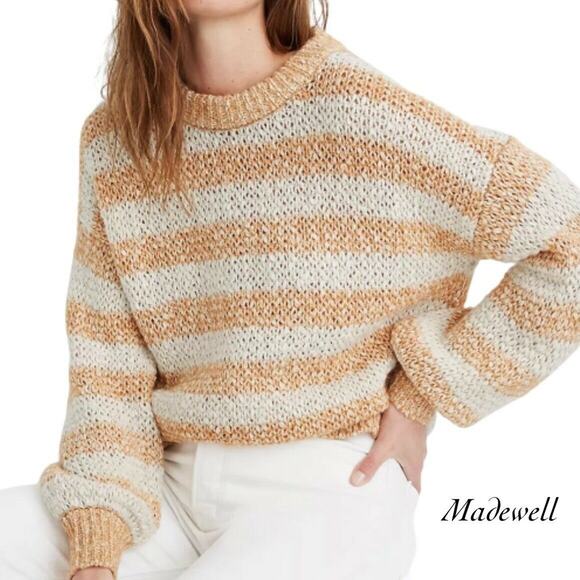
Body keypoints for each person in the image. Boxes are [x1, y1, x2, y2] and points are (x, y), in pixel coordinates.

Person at [1, 1, 579, 579]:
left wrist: (421, 393)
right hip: (165, 489)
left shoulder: (362, 110)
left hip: (322, 484)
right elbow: (108, 369)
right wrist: (96, 552)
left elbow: (569, 241)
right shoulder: (117, 141)